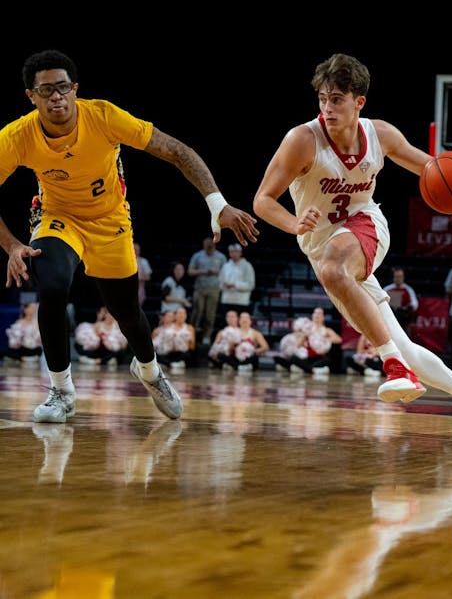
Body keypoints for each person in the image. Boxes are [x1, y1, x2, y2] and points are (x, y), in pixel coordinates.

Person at [0, 48, 259, 424]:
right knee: (53, 285)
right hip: (58, 217)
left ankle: (150, 372)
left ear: (75, 89)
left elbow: (177, 151)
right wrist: (11, 245)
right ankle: (62, 391)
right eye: (45, 91)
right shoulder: (17, 135)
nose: (56, 97)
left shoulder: (103, 116)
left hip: (110, 219)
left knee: (127, 313)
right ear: (31, 96)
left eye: (62, 88)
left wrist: (217, 204)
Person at [252, 52, 452, 442]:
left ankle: (394, 367)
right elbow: (262, 199)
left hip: (366, 225)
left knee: (338, 269)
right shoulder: (302, 140)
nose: (327, 108)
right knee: (405, 344)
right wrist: (292, 223)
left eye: (336, 99)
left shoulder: (379, 135)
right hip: (320, 246)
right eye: (322, 99)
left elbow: (432, 169)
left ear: (358, 102)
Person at [187, 236, 226, 348]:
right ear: (204, 246)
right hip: (200, 288)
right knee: (197, 312)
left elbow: (226, 272)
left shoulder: (221, 257)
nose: (209, 250)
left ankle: (206, 337)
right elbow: (190, 271)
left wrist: (216, 272)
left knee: (210, 314)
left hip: (214, 289)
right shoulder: (197, 256)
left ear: (214, 246)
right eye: (207, 248)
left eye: (211, 248)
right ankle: (192, 334)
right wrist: (203, 271)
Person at [218, 243, 256, 328]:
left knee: (240, 325)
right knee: (225, 326)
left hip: (241, 301)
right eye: (232, 252)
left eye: (236, 252)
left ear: (240, 253)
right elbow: (220, 282)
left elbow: (250, 285)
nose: (234, 254)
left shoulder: (247, 266)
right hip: (227, 300)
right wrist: (224, 285)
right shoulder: (226, 266)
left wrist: (234, 285)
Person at [382, 266, 419, 336]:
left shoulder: (408, 289)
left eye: (400, 276)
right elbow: (381, 302)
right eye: (396, 276)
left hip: (404, 320)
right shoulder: (387, 289)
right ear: (393, 277)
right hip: (390, 319)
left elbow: (415, 304)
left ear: (403, 277)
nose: (398, 279)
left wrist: (405, 308)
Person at [3, 300, 42, 364]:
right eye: (31, 308)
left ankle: (24, 358)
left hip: (32, 349)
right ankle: (21, 358)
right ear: (25, 309)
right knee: (5, 350)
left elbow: (39, 340)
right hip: (21, 348)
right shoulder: (19, 322)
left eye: (34, 308)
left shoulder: (37, 324)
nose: (33, 310)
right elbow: (13, 341)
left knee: (38, 350)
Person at [134, 242, 153, 310]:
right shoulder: (125, 260)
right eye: (134, 249)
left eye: (137, 249)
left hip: (139, 288)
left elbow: (148, 277)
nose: (135, 251)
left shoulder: (144, 261)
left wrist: (138, 277)